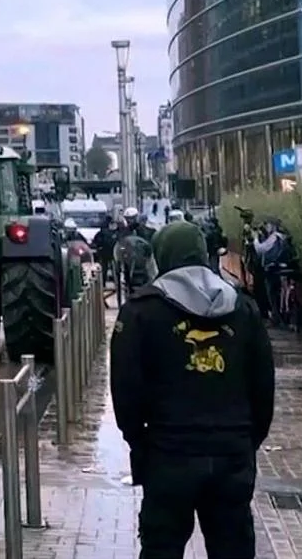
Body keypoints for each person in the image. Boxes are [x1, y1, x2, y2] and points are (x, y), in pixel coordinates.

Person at [110, 221, 274, 559]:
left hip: (169, 453)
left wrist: (140, 442)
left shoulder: (141, 311)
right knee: (233, 548)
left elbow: (125, 391)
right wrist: (246, 440)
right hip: (232, 454)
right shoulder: (243, 308)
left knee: (162, 548)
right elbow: (263, 386)